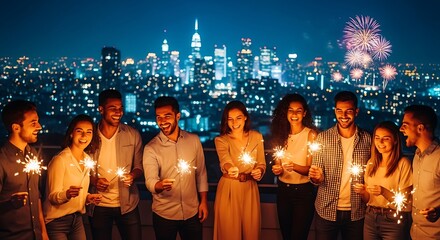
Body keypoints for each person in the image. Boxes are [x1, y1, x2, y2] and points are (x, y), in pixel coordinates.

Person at [143, 96, 208, 240]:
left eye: (167, 116)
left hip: (192, 212)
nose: (162, 121)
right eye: (158, 117)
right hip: (164, 215)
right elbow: (150, 181)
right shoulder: (151, 148)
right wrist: (159, 185)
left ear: (178, 116)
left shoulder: (194, 140)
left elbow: (201, 174)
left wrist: (203, 202)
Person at [308, 91, 371, 240]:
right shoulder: (322, 138)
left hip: (357, 212)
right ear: (335, 111)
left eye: (348, 111)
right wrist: (317, 178)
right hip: (326, 210)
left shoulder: (368, 140)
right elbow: (315, 178)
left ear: (356, 111)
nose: (343, 115)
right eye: (339, 111)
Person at [88, 89, 143, 240]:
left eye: (121, 108)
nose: (118, 112)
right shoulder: (89, 136)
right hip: (98, 205)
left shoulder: (132, 134)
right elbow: (79, 169)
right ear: (101, 109)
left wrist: (132, 175)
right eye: (113, 108)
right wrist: (94, 181)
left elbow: (139, 166)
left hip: (128, 204)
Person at [213, 100, 266, 240]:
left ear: (245, 117)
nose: (234, 122)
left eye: (238, 118)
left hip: (250, 188)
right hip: (229, 188)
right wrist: (231, 168)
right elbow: (225, 160)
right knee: (229, 232)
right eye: (230, 119)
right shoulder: (221, 140)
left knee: (251, 231)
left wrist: (259, 171)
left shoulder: (257, 137)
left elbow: (261, 163)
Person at [43, 114, 103, 239]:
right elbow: (53, 197)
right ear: (71, 134)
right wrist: (67, 194)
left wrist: (88, 197)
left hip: (77, 219)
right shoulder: (60, 160)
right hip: (56, 221)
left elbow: (79, 192)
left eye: (89, 132)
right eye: (79, 131)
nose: (84, 136)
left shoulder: (87, 160)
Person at [353, 121, 412, 240]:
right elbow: (368, 199)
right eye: (377, 138)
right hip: (370, 217)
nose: (380, 142)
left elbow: (403, 202)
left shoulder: (403, 164)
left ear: (395, 140)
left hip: (393, 220)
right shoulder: (371, 163)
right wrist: (362, 192)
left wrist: (383, 191)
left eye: (386, 138)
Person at [270, 93, 318, 240]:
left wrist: (294, 166)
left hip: (304, 193)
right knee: (286, 235)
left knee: (299, 236)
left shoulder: (311, 135)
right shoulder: (280, 135)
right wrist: (276, 170)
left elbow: (310, 169)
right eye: (291, 110)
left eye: (298, 110)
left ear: (304, 113)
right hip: (283, 191)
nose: (294, 114)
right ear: (286, 113)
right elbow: (278, 166)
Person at [0, 100, 48, 240]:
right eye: (33, 123)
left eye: (38, 122)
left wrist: (43, 234)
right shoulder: (2, 160)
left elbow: (36, 196)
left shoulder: (32, 153)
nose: (39, 127)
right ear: (16, 127)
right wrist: (10, 203)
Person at [399, 105, 440, 239]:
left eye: (405, 125)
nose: (401, 129)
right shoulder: (417, 155)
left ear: (420, 128)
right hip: (415, 233)